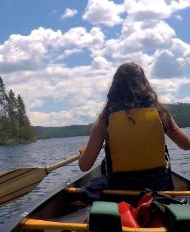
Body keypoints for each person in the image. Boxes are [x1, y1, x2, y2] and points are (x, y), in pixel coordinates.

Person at [78, 62, 190, 193]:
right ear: (144, 84)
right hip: (158, 188)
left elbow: (85, 166)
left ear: (115, 87)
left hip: (121, 189)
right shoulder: (159, 112)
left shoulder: (106, 117)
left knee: (94, 187)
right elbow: (186, 145)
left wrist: (82, 153)